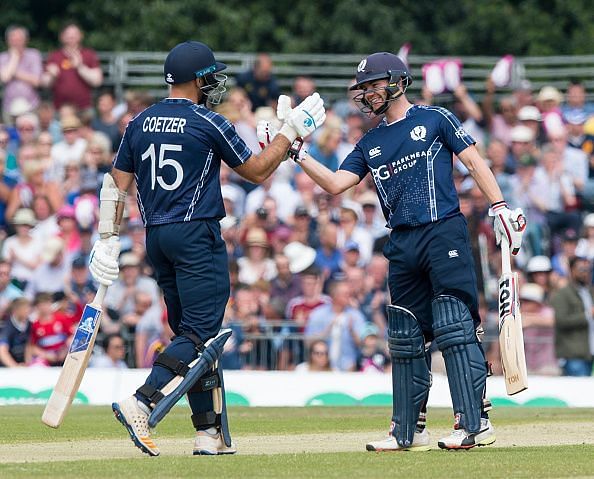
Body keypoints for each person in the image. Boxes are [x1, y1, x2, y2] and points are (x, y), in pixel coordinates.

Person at [260, 52, 526, 451]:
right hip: (401, 240)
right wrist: (295, 154)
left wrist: (500, 206)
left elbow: (473, 160)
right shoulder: (370, 142)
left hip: (443, 231)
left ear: (397, 82)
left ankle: (474, 423)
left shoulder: (434, 118)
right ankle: (407, 429)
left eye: (372, 86)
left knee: (454, 326)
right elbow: (335, 184)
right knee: (405, 335)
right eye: (362, 89)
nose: (366, 95)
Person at [87, 40, 325, 456]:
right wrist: (290, 133)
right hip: (196, 235)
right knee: (200, 333)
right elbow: (254, 172)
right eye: (210, 77)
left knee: (194, 336)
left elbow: (115, 185)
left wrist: (107, 241)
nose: (213, 84)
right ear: (197, 79)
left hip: (157, 238)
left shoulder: (138, 122)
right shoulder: (207, 121)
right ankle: (142, 401)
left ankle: (207, 431)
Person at [42, 23, 103, 111]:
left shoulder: (89, 54)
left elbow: (97, 81)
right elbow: (45, 84)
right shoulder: (54, 56)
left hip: (84, 108)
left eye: (74, 34)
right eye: (68, 34)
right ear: (62, 37)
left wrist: (80, 67)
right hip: (59, 109)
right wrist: (52, 76)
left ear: (80, 36)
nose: (71, 37)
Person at [550, 256, 594, 376]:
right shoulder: (562, 294)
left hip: (590, 353)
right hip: (574, 355)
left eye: (587, 269)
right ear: (571, 270)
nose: (585, 273)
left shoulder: (590, 292)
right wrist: (587, 315)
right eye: (581, 269)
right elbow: (561, 321)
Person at [0, 25, 42, 124]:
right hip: (9, 107)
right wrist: (15, 58)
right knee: (11, 137)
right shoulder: (2, 57)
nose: (16, 43)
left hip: (31, 105)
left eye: (19, 39)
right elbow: (5, 78)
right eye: (13, 40)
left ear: (26, 40)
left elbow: (36, 81)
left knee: (31, 137)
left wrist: (14, 72)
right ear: (8, 41)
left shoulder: (34, 55)